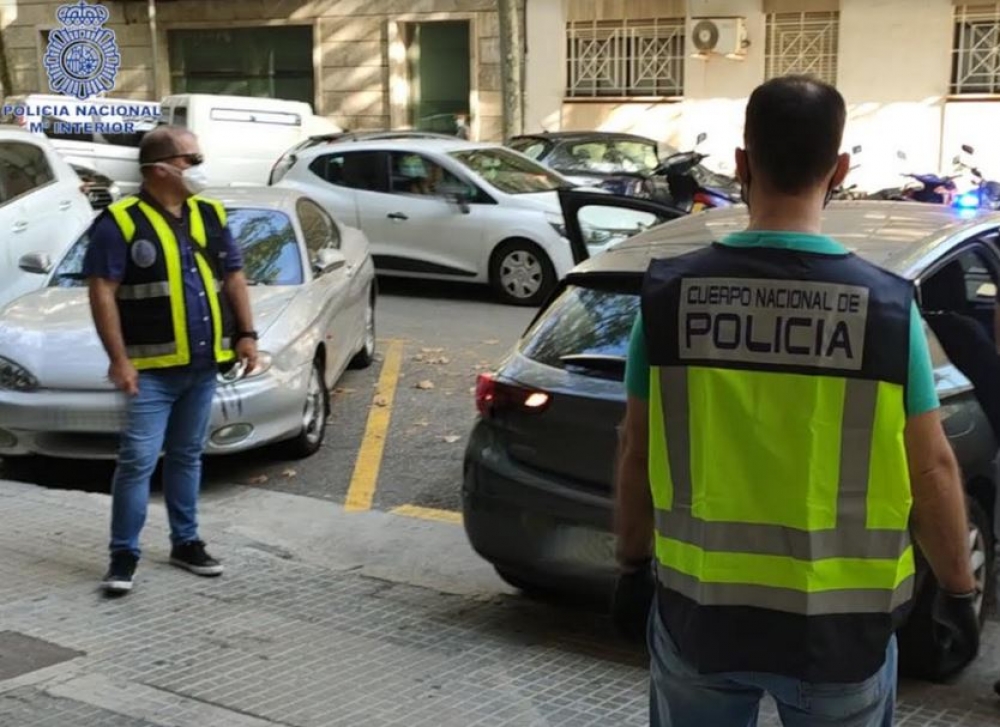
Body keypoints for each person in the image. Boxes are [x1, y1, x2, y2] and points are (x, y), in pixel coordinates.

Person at [612, 75, 979, 726]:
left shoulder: (668, 300)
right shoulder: (887, 312)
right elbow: (933, 469)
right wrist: (957, 586)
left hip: (701, 620)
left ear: (741, 164)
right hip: (839, 636)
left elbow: (636, 447)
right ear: (838, 169)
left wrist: (631, 560)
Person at [84, 125, 258, 595]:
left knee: (187, 456)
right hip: (150, 373)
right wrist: (118, 360)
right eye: (191, 160)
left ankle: (186, 542)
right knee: (138, 461)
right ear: (159, 168)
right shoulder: (119, 222)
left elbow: (234, 277)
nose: (199, 168)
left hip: (202, 367)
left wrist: (246, 335)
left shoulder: (209, 213)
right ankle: (123, 555)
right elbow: (102, 292)